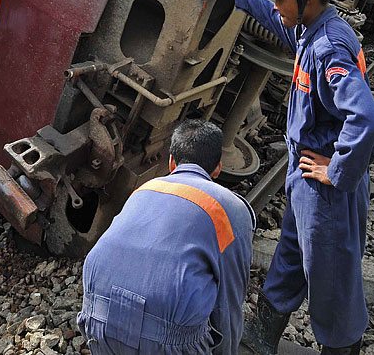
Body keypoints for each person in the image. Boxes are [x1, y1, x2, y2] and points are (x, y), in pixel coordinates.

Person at [213, 0, 374, 354]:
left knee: (331, 277)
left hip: (326, 187)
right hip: (305, 176)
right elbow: (268, 17)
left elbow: (370, 120)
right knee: (291, 256)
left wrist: (337, 170)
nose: (277, 5)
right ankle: (262, 336)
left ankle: (341, 346)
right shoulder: (309, 27)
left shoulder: (328, 47)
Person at [79, 119, 255, 354]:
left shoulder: (145, 188)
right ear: (217, 168)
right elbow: (229, 301)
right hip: (168, 343)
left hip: (95, 320)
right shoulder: (228, 207)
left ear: (172, 162)